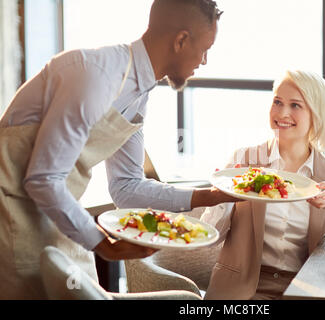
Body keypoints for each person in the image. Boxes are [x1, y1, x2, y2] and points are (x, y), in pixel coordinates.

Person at [0, 0, 236, 299]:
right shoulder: (94, 75)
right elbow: (43, 179)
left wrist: (209, 196)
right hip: (11, 214)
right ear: (181, 40)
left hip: (61, 214)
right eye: (205, 49)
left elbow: (126, 187)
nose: (203, 61)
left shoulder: (138, 94)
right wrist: (102, 243)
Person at [200, 69, 325, 300]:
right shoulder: (243, 162)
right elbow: (210, 236)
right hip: (242, 288)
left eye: (295, 105)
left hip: (304, 288)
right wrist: (223, 196)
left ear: (316, 114)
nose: (282, 113)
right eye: (277, 102)